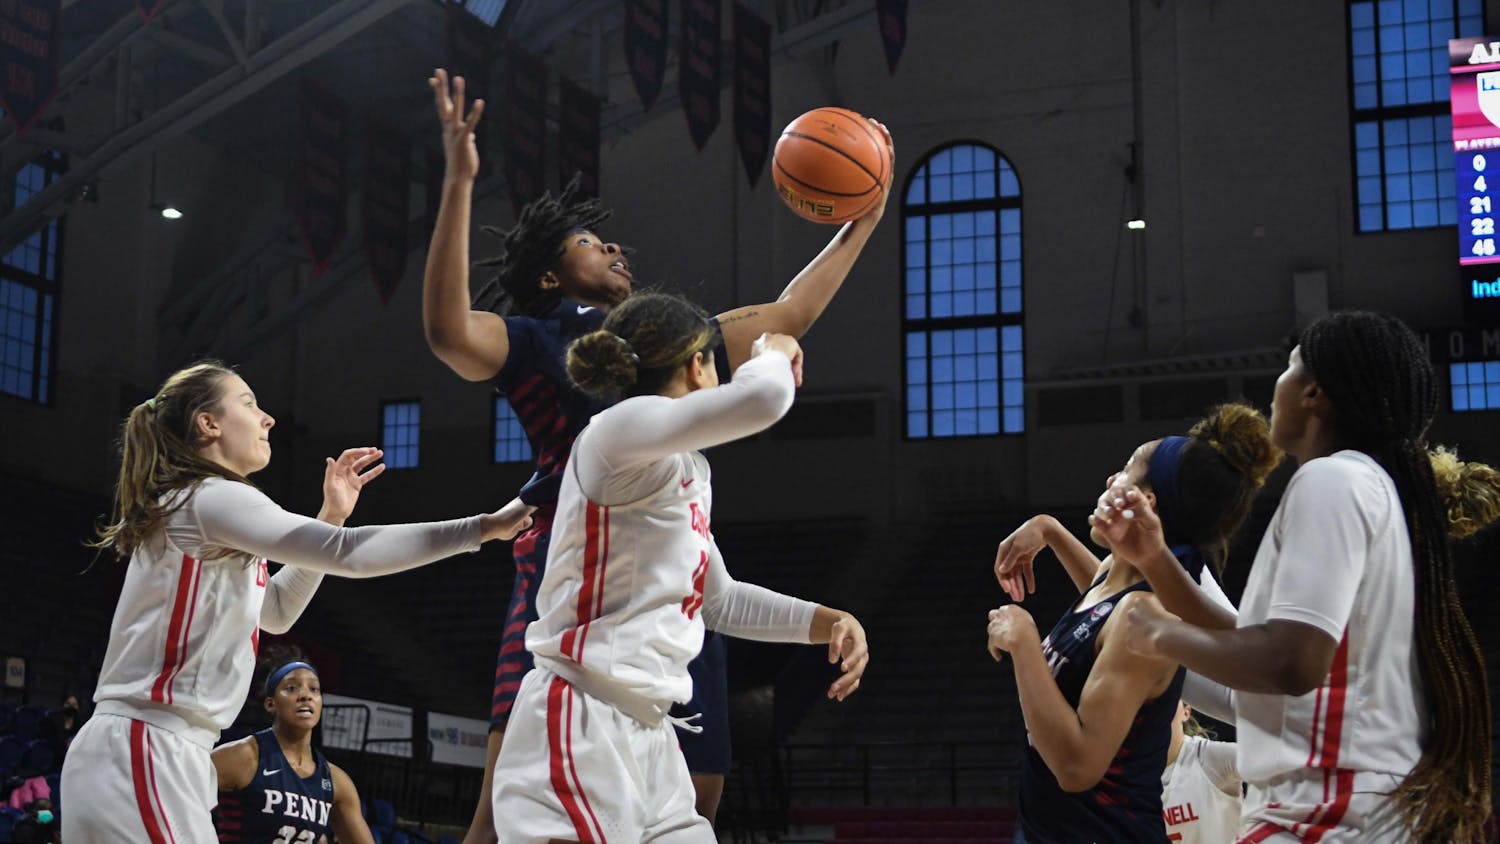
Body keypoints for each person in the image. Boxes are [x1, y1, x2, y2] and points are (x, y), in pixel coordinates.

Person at [422, 69, 892, 840]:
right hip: (573, 589)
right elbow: (447, 331)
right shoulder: (555, 350)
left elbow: (793, 310)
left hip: (657, 588)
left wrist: (864, 217)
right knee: (492, 812)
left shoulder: (689, 450)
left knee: (703, 791)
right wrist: (459, 184)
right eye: (585, 241)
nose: (611, 243)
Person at [61, 360, 532, 843]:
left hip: (151, 749)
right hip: (147, 745)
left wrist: (329, 517)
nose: (267, 419)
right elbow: (348, 555)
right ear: (209, 424)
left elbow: (277, 612)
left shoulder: (205, 508)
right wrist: (483, 527)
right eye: (249, 404)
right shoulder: (209, 498)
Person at [1093, 311, 1500, 842]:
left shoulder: (1331, 480)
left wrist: (1158, 632)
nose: (1277, 384)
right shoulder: (1362, 485)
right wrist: (1153, 562)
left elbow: (1289, 665)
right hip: (1340, 803)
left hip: (1330, 808)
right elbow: (1255, 642)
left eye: (1288, 368)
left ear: (1314, 393)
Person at [491, 293, 869, 843]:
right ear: (697, 365)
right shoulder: (615, 431)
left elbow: (720, 600)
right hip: (580, 719)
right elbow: (764, 398)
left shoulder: (684, 469)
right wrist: (775, 347)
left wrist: (828, 621)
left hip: (651, 732)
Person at [986, 403, 1280, 843]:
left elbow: (1077, 768)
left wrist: (1024, 640)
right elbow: (1102, 613)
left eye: (1125, 470)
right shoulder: (1114, 579)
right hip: (1050, 827)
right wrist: (1050, 530)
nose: (1109, 480)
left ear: (1145, 502)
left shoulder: (1144, 615)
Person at [213, 657, 373, 844]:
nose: (306, 695)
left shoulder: (336, 781)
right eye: (291, 688)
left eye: (314, 689)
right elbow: (176, 793)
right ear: (271, 704)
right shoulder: (244, 757)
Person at [1160, 701, 1241, 844]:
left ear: (1186, 712)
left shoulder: (1208, 758)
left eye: (1167, 700)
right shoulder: (1133, 776)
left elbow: (1280, 764)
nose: (1160, 712)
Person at [40, 692, 83, 762]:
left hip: (71, 758)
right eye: (68, 704)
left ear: (78, 707)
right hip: (54, 757)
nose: (71, 707)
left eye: (74, 704)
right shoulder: (53, 720)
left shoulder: (79, 723)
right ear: (63, 705)